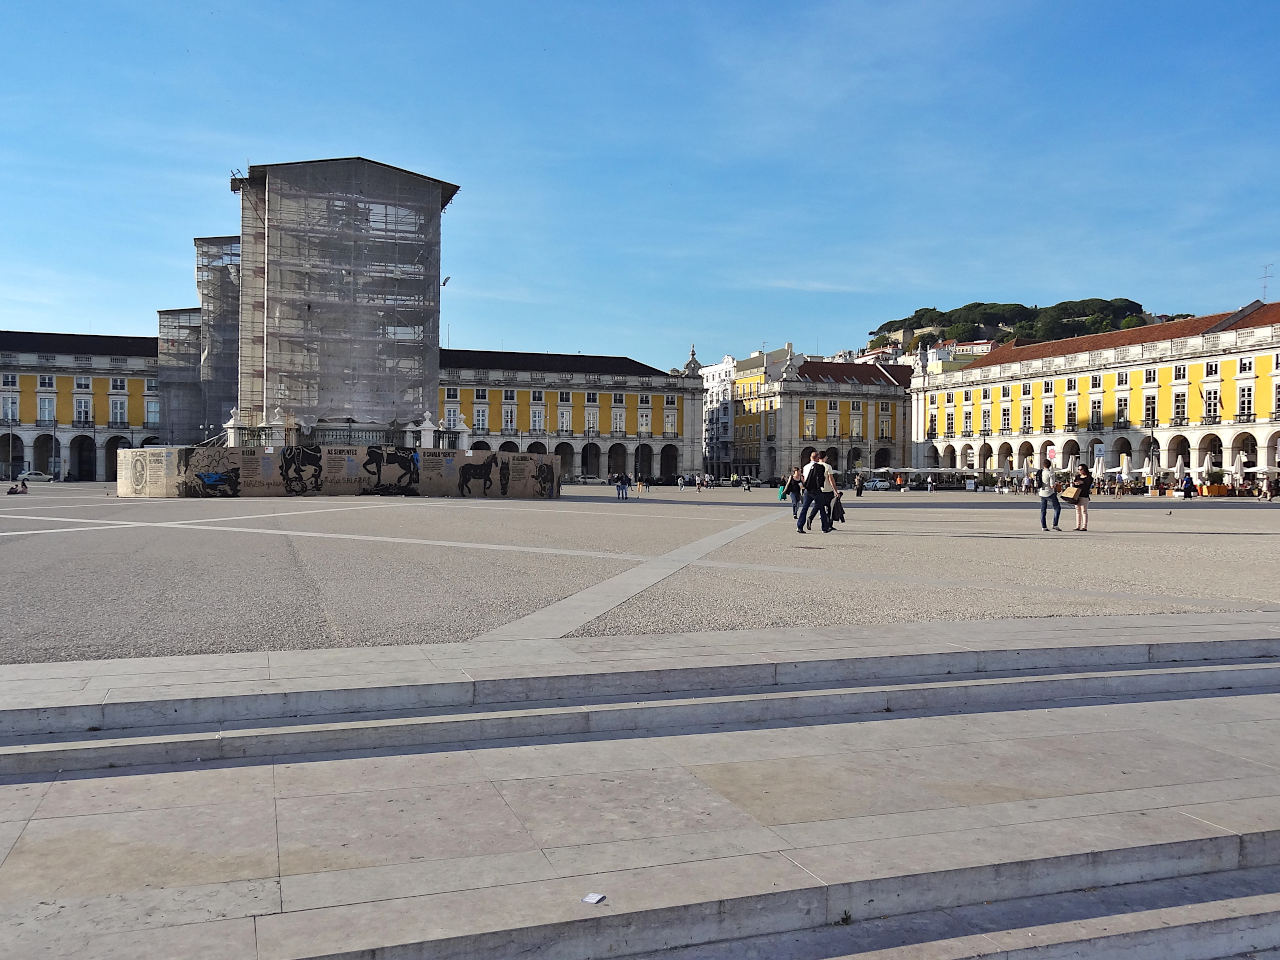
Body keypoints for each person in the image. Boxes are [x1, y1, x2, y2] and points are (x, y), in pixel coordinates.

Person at [796, 451, 829, 534]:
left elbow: (803, 478)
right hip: (816, 490)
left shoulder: (805, 467)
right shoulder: (820, 467)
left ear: (810, 457)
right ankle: (824, 528)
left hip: (807, 489)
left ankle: (799, 526)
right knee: (821, 508)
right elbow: (822, 479)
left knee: (804, 508)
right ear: (818, 458)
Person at [1037, 460, 1062, 532]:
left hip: (1042, 492)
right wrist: (1056, 484)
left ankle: (1044, 526)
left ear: (1043, 465)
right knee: (1057, 508)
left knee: (1043, 510)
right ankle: (1055, 524)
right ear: (1050, 465)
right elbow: (1052, 485)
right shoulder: (1050, 473)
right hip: (1050, 493)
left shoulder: (1040, 472)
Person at [1073, 465, 1093, 531]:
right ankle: (1077, 526)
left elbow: (1088, 486)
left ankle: (1084, 526)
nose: (1079, 471)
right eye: (1078, 469)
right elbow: (1074, 485)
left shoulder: (1089, 477)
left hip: (1084, 495)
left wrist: (1082, 482)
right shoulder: (1077, 476)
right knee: (1077, 511)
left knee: (1084, 511)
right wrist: (1076, 483)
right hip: (1077, 495)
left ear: (1084, 469)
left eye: (1081, 469)